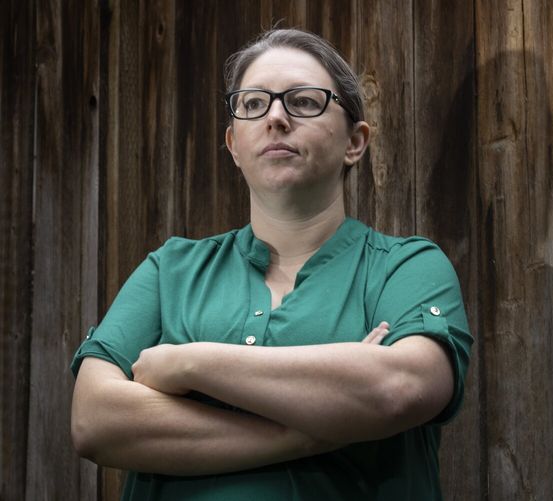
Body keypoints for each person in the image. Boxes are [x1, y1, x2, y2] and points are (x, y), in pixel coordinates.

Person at [70, 28, 472, 501]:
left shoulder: (406, 267)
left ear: (355, 142)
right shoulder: (170, 270)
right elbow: (93, 420)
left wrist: (187, 362)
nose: (276, 117)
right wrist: (316, 429)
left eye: (303, 102)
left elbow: (399, 388)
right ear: (234, 145)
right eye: (254, 103)